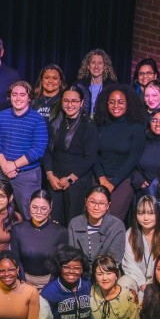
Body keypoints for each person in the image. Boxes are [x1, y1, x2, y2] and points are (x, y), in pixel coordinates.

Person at [0, 80, 49, 213]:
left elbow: (38, 150)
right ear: (9, 97)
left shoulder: (38, 120)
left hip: (27, 175)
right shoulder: (1, 116)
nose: (18, 98)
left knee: (29, 214)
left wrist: (14, 165)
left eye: (22, 94)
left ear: (29, 98)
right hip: (0, 171)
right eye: (14, 94)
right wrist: (5, 165)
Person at [43, 86, 99, 225]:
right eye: (66, 101)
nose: (70, 104)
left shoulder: (89, 127)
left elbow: (90, 158)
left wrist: (69, 179)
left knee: (73, 224)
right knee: (55, 223)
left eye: (74, 101)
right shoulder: (54, 123)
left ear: (81, 103)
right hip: (55, 181)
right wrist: (50, 176)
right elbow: (47, 152)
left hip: (77, 183)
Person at [92, 84, 147, 220]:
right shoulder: (99, 124)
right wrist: (101, 178)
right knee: (93, 217)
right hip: (99, 178)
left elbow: (133, 159)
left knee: (111, 221)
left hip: (123, 180)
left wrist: (113, 183)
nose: (116, 105)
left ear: (128, 104)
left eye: (121, 102)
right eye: (112, 102)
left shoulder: (136, 127)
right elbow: (93, 153)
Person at [9, 189, 68, 289]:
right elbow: (16, 259)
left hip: (51, 283)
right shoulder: (18, 229)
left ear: (50, 208)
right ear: (29, 206)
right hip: (24, 282)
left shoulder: (60, 232)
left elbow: (60, 263)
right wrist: (23, 282)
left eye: (43, 208)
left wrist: (50, 286)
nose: (38, 212)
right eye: (34, 207)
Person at [122, 194, 160, 295]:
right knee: (124, 283)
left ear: (158, 214)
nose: (145, 218)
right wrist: (142, 283)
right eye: (141, 213)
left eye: (151, 213)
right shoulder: (130, 234)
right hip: (136, 279)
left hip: (159, 280)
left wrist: (152, 283)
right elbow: (129, 264)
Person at [67, 185, 127, 267]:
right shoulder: (75, 223)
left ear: (108, 206)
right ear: (86, 202)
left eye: (101, 203)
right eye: (92, 202)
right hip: (80, 271)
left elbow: (114, 260)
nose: (96, 207)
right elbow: (71, 255)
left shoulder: (117, 226)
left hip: (106, 273)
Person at [73, 48, 117, 115]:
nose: (96, 66)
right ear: (88, 66)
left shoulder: (113, 86)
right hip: (83, 124)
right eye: (93, 63)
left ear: (105, 66)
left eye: (100, 63)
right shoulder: (79, 85)